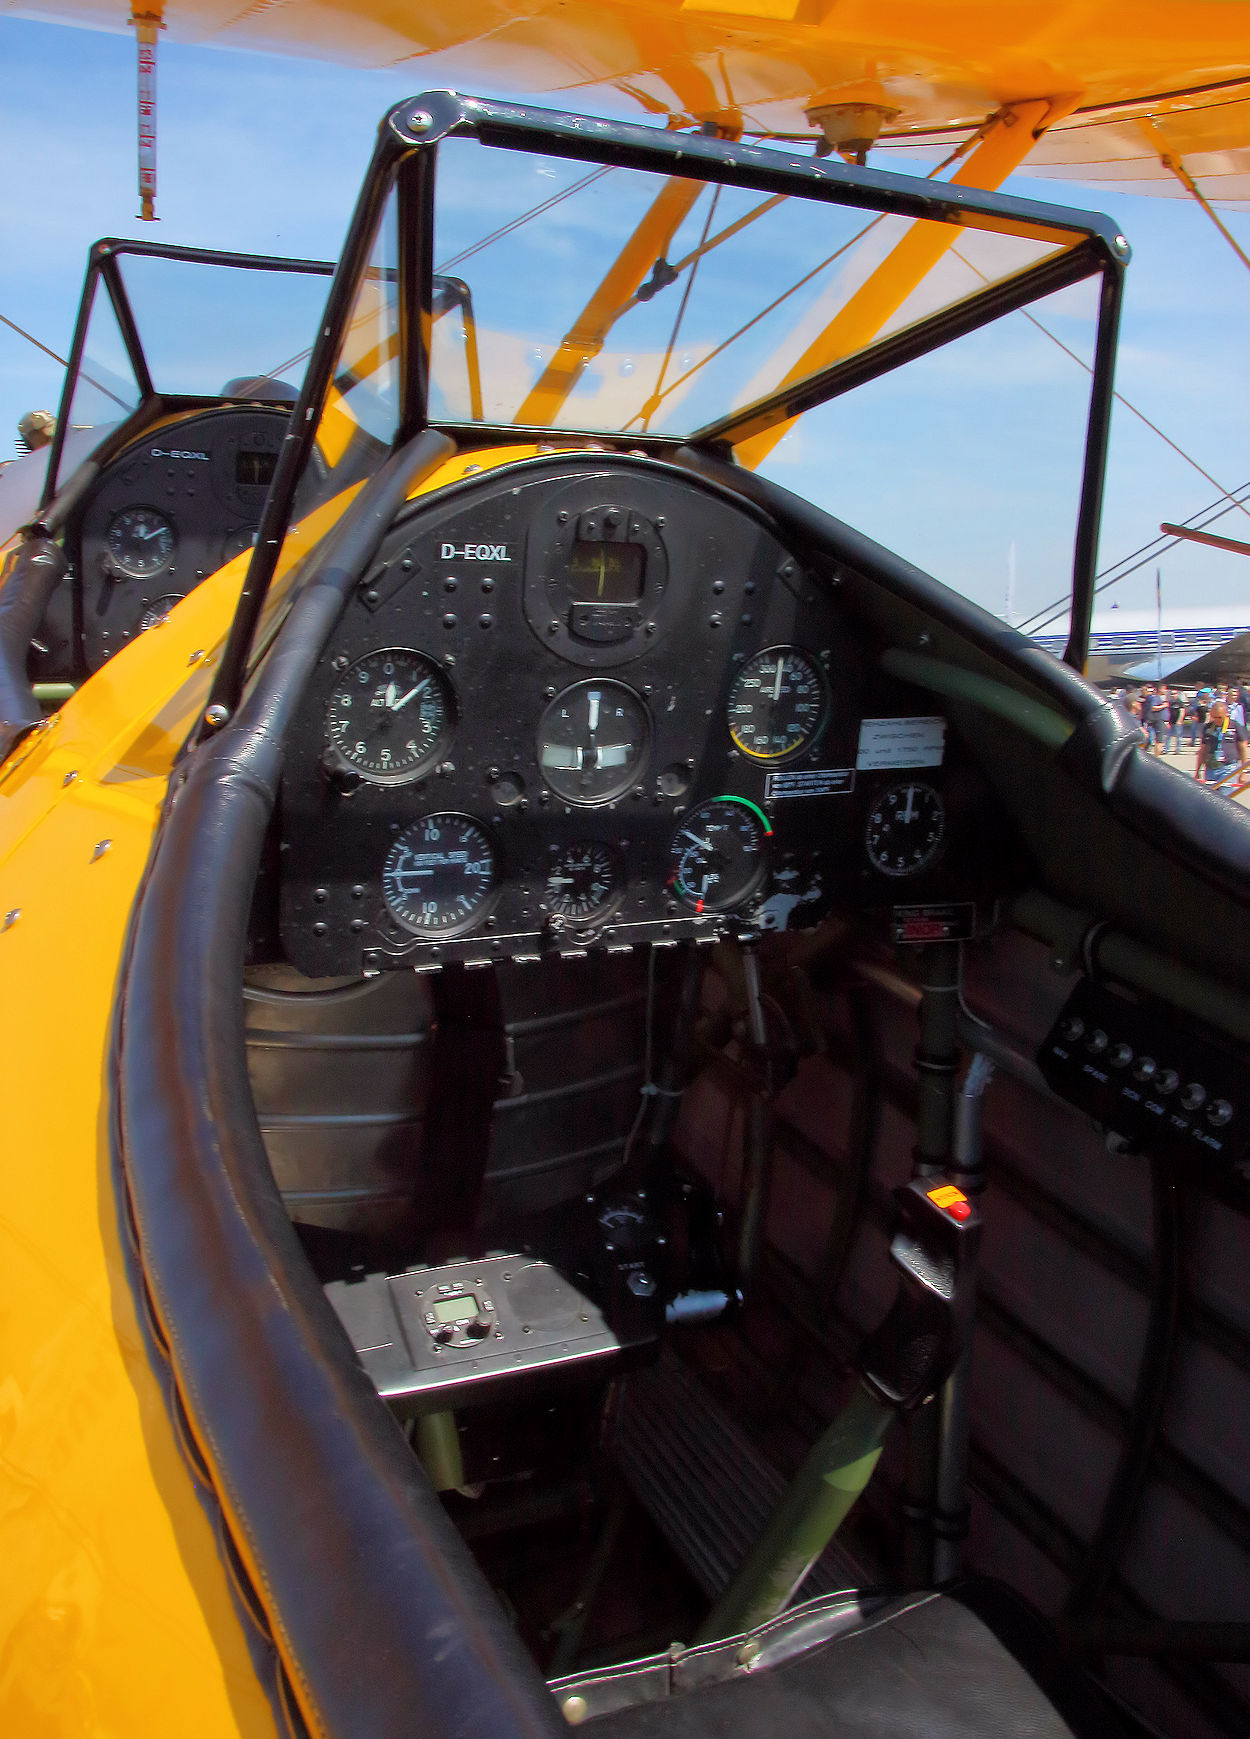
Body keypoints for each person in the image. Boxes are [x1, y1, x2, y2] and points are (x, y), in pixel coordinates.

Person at [1196, 697, 1248, 791]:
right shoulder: (1207, 728)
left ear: (1226, 714)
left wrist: (1243, 772)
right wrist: (1197, 770)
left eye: (1219, 717)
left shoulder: (1235, 726)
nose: (1216, 720)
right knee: (1210, 799)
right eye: (1214, 717)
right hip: (1210, 768)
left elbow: (1243, 749)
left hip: (1228, 768)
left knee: (1224, 797)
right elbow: (1202, 750)